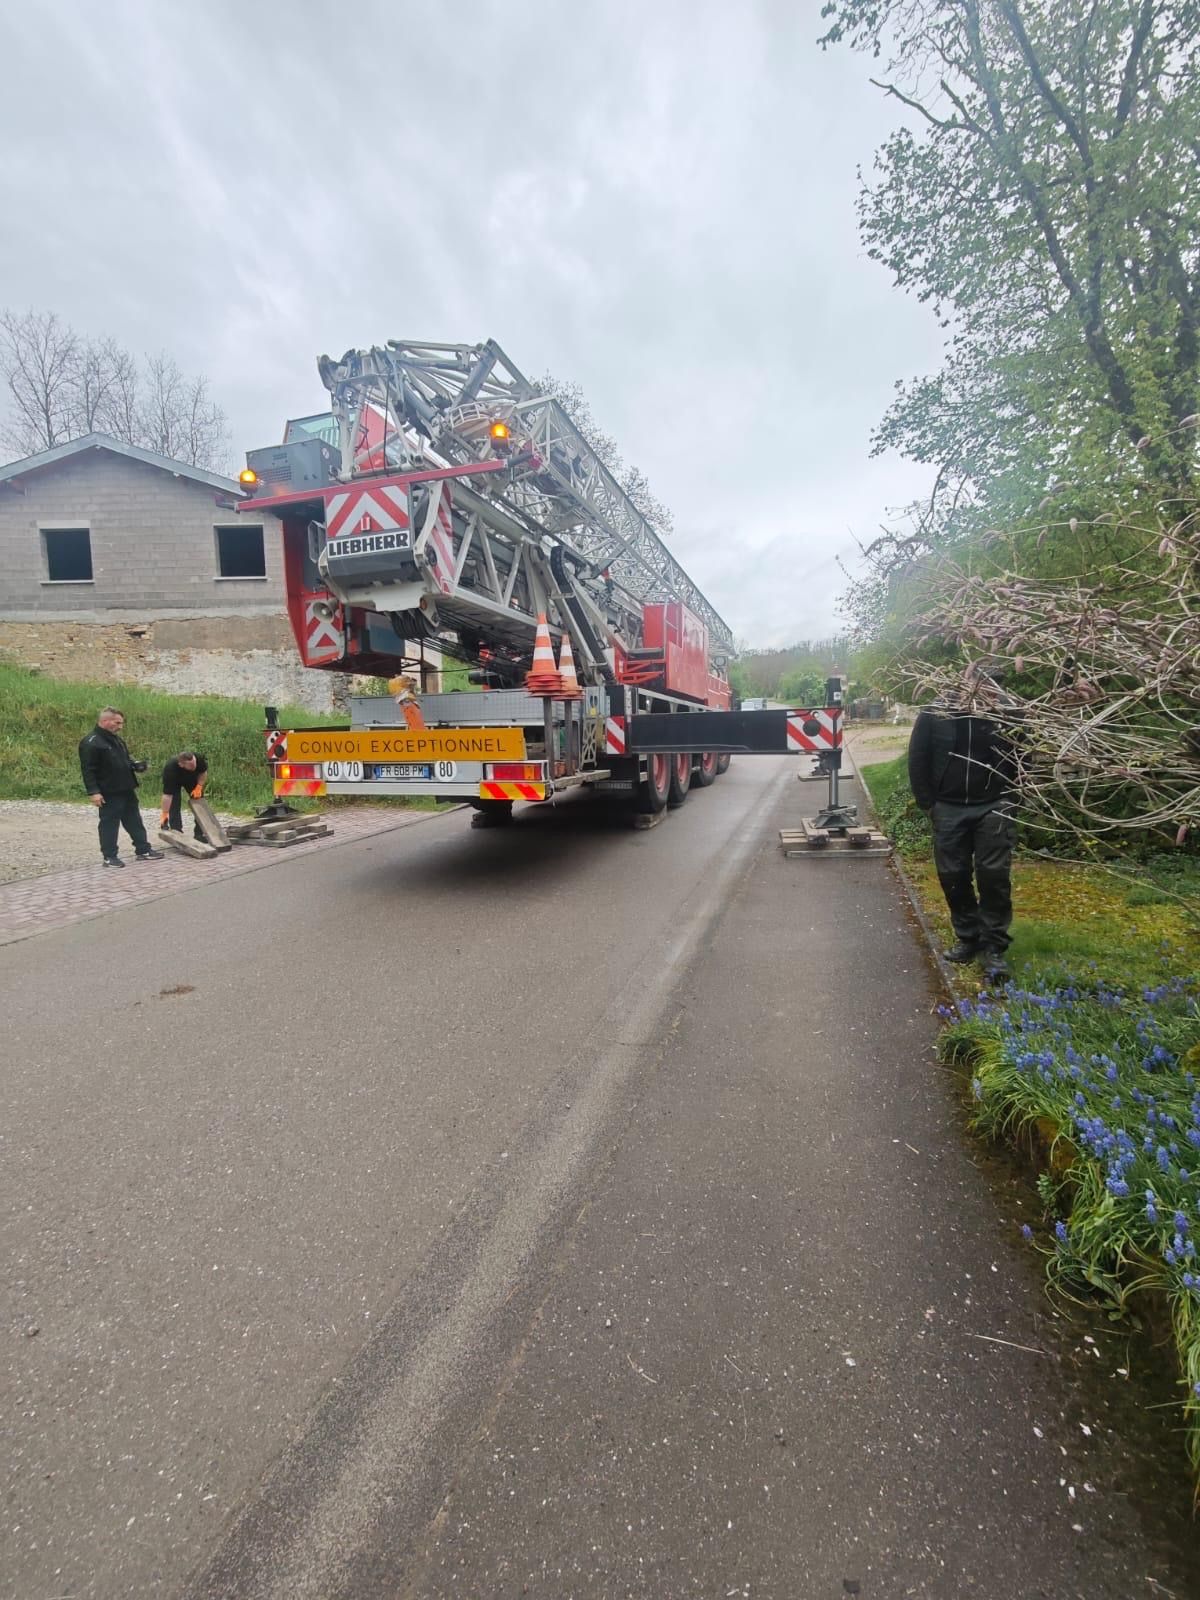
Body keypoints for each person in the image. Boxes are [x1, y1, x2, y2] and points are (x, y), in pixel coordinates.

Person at [907, 677, 1019, 982]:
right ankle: (969, 937)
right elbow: (918, 757)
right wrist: (928, 803)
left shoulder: (1006, 711)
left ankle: (994, 947)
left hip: (994, 804)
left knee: (993, 874)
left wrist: (1013, 797)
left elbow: (1024, 755)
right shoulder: (935, 713)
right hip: (948, 806)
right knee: (952, 874)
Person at [78, 707, 164, 868]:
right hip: (108, 791)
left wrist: (135, 765)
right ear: (105, 721)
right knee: (109, 823)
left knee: (134, 820)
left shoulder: (116, 739)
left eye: (121, 723)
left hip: (126, 788)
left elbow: (124, 759)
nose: (120, 726)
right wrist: (94, 792)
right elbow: (88, 770)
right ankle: (109, 857)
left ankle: (143, 850)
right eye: (117, 723)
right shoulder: (91, 742)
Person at [160, 750, 209, 839]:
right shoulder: (170, 768)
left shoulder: (198, 758)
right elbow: (167, 795)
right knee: (174, 805)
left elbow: (203, 772)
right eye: (191, 766)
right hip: (175, 780)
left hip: (191, 779)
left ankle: (199, 834)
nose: (194, 767)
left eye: (194, 764)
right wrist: (164, 814)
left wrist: (199, 786)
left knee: (199, 801)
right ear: (181, 765)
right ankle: (177, 832)